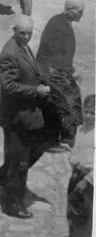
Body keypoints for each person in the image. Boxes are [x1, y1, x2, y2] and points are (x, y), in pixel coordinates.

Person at [0, 15, 51, 219]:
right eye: (22, 33)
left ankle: (1, 177)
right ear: (13, 30)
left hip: (26, 114)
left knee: (34, 148)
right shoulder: (9, 52)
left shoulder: (22, 47)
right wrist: (36, 90)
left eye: (29, 33)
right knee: (19, 162)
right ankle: (12, 204)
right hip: (16, 117)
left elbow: (30, 70)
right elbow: (9, 86)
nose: (26, 37)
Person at [36, 0, 84, 149]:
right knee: (72, 101)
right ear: (70, 11)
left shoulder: (62, 22)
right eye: (80, 12)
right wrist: (71, 72)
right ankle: (64, 140)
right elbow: (53, 55)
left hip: (55, 70)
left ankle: (60, 137)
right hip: (52, 72)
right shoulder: (58, 25)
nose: (82, 15)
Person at [67, 93, 94, 237]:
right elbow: (77, 149)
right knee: (72, 214)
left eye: (93, 113)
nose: (88, 116)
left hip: (89, 182)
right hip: (76, 176)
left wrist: (86, 180)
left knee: (85, 218)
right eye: (86, 111)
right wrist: (72, 158)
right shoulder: (80, 129)